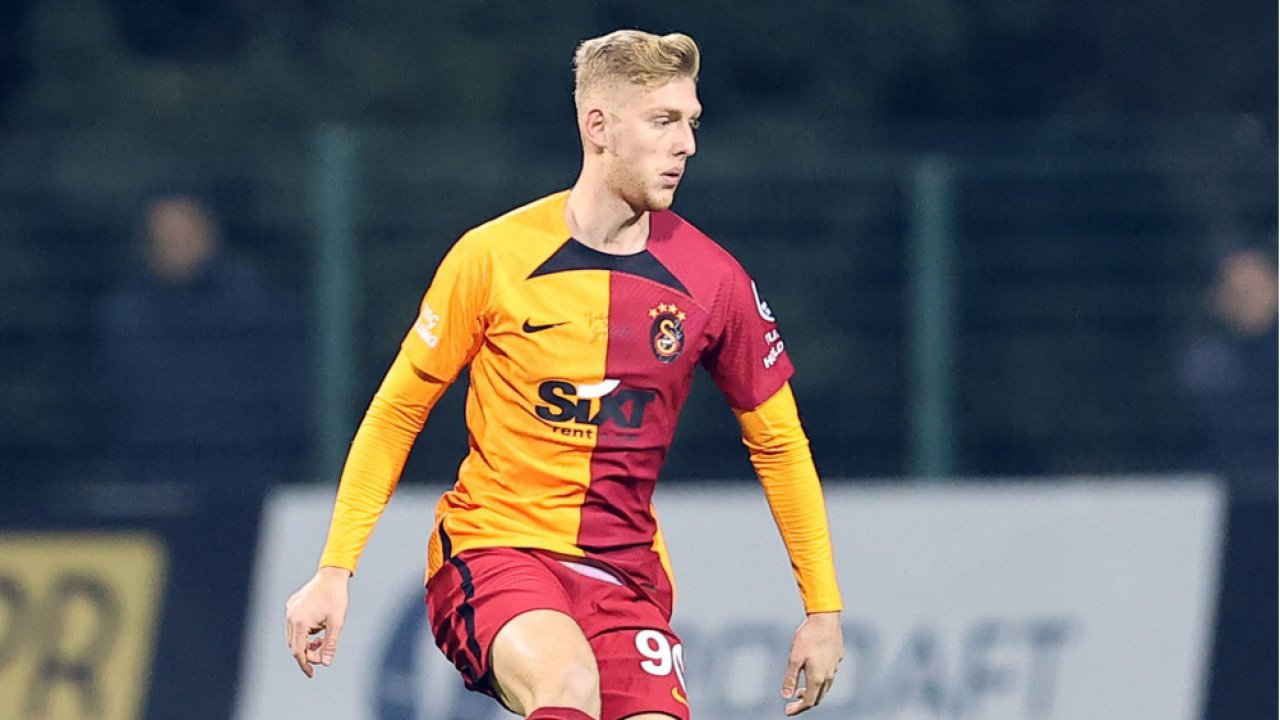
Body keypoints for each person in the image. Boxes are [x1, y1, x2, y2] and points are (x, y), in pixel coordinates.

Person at [285, 30, 844, 720]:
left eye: (691, 123)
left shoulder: (714, 280)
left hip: (626, 575)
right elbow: (398, 411)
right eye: (663, 121)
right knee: (567, 685)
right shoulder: (493, 257)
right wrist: (335, 569)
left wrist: (822, 609)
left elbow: (780, 443)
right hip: (496, 551)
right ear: (598, 126)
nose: (686, 145)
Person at [95, 193, 309, 491]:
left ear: (209, 236)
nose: (176, 246)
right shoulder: (126, 314)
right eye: (166, 239)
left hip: (243, 476)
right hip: (152, 477)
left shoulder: (253, 304)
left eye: (184, 236)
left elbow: (285, 389)